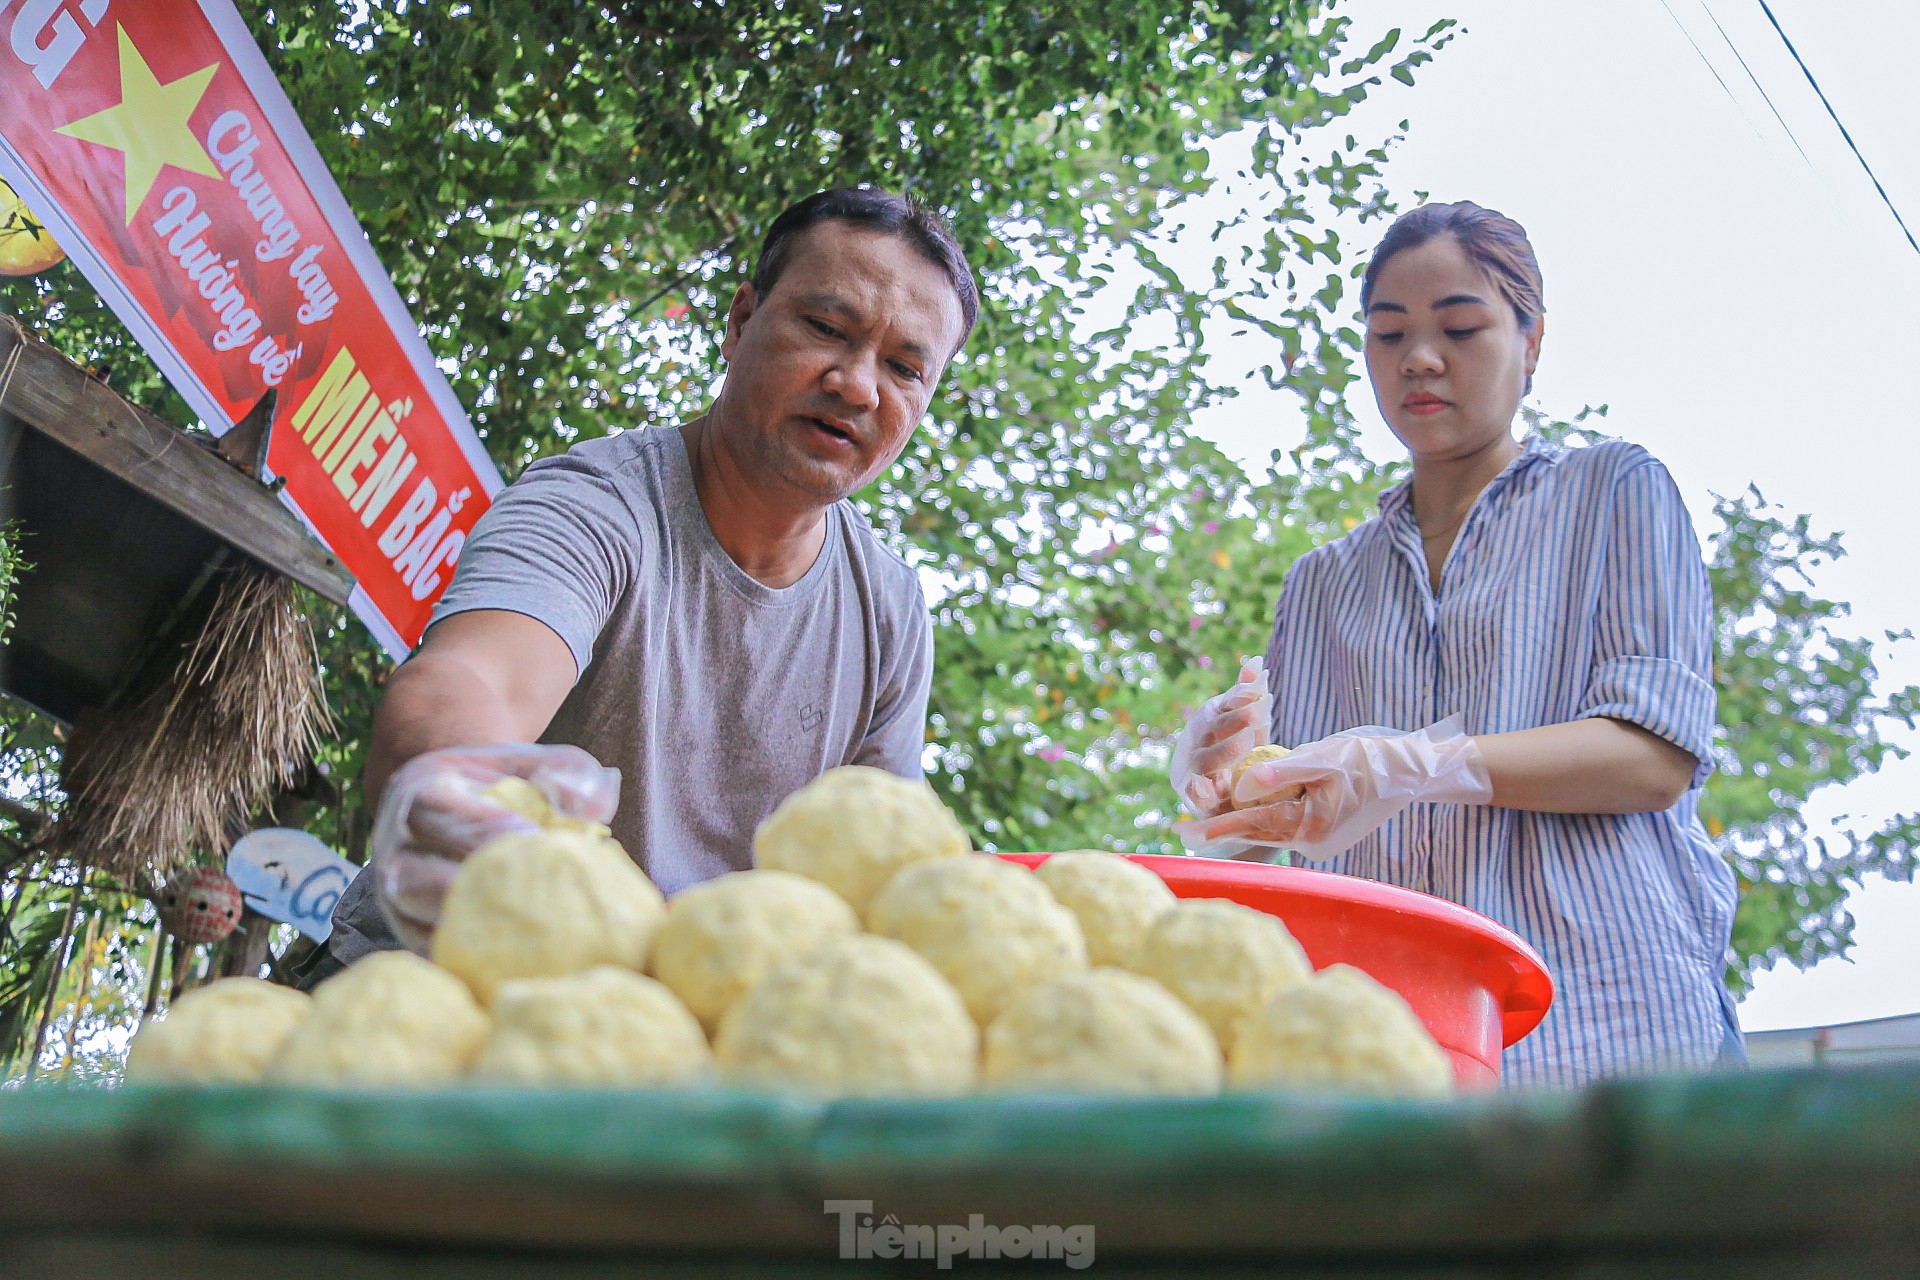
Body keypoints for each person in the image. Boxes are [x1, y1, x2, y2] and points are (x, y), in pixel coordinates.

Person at [302, 187, 977, 985]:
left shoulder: (888, 611)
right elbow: (473, 677)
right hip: (428, 998)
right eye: (826, 330)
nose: (858, 386)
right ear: (739, 322)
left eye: (904, 368)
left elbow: (881, 864)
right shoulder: (595, 506)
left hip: (667, 1053)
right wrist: (465, 800)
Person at [1171, 201, 1741, 1086]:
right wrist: (1229, 786)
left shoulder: (1614, 491)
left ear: (1533, 342)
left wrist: (1414, 762)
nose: (1420, 360)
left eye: (1461, 327)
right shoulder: (1322, 584)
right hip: (1402, 1052)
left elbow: (1651, 759)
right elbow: (1297, 834)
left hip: (1618, 1026)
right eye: (1388, 334)